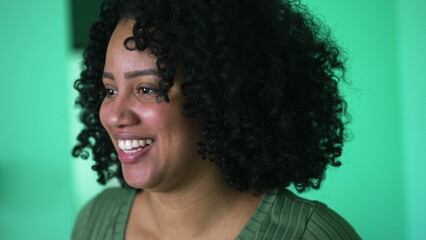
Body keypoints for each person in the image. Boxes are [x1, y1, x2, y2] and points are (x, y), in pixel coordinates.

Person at [72, 0, 361, 239]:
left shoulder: (311, 235)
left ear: (217, 95)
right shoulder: (96, 222)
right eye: (110, 90)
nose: (114, 115)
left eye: (147, 89)